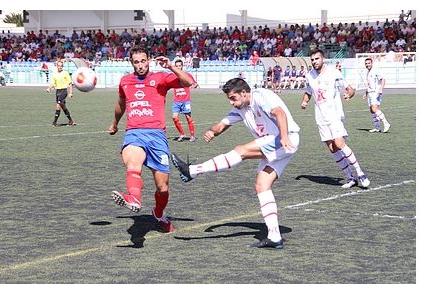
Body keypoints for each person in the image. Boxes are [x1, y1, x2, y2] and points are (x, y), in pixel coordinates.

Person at [170, 78, 300, 250]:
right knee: (262, 185)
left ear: (244, 93)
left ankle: (192, 171)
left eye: (233, 98)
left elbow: (279, 113)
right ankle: (275, 236)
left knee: (242, 150)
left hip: (284, 139)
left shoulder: (262, 96)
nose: (232, 102)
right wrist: (211, 132)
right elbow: (222, 124)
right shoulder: (240, 108)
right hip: (276, 144)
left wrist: (283, 137)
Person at [108, 46, 194, 233]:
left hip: (157, 136)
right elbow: (121, 105)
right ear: (131, 63)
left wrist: (170, 66)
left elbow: (187, 82)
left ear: (149, 60)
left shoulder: (160, 78)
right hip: (134, 133)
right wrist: (115, 123)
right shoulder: (125, 81)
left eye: (143, 61)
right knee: (133, 165)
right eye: (136, 62)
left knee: (162, 188)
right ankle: (134, 198)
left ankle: (158, 213)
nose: (140, 65)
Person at [301, 48, 370, 189]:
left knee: (339, 143)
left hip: (334, 115)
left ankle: (360, 173)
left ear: (323, 59)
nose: (314, 62)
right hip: (320, 117)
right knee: (332, 147)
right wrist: (305, 101)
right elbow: (308, 91)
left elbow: (350, 88)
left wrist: (348, 95)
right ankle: (350, 177)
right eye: (312, 60)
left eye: (317, 59)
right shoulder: (309, 76)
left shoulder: (333, 72)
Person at [172, 59, 198, 142]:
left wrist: (193, 85)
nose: (179, 67)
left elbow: (195, 84)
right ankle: (182, 134)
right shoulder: (173, 77)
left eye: (180, 65)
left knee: (188, 118)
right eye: (177, 66)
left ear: (182, 66)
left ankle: (192, 135)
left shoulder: (187, 75)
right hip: (176, 101)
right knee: (174, 117)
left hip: (185, 100)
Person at [363, 57, 391, 133]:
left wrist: (380, 89)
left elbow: (383, 79)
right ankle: (377, 127)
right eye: (366, 63)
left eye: (368, 63)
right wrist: (366, 94)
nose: (367, 65)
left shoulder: (375, 71)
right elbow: (368, 85)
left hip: (375, 92)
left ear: (372, 63)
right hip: (370, 93)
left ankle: (386, 123)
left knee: (374, 108)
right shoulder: (367, 73)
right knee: (372, 110)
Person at [46, 60, 76, 127]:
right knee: (63, 106)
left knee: (58, 105)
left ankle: (54, 122)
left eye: (61, 66)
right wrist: (49, 88)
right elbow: (53, 83)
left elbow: (70, 83)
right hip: (58, 91)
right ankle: (71, 120)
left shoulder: (65, 73)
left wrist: (71, 93)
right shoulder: (55, 74)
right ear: (57, 66)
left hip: (63, 91)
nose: (60, 67)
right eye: (59, 66)